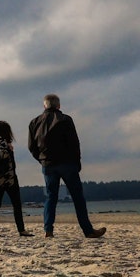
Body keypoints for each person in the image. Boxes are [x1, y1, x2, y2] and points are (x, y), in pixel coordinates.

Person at [28, 94, 107, 238]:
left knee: (51, 197)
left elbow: (31, 146)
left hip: (48, 164)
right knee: (77, 197)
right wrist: (77, 163)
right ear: (59, 106)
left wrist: (42, 160)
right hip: (67, 163)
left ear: (44, 106)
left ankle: (48, 230)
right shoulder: (65, 119)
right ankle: (88, 230)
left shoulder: (35, 122)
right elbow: (74, 144)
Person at [0, 120, 32, 236]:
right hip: (8, 178)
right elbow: (3, 156)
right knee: (16, 204)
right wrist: (9, 150)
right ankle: (21, 230)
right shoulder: (2, 141)